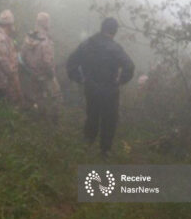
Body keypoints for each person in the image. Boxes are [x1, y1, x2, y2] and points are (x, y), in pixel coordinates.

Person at [66, 17, 134, 157]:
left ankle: (87, 144)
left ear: (102, 28)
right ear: (114, 31)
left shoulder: (87, 44)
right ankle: (105, 151)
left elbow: (71, 63)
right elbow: (129, 66)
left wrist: (80, 79)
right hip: (110, 90)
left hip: (91, 88)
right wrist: (120, 81)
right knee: (109, 120)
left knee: (92, 115)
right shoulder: (115, 48)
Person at [20, 12, 62, 120]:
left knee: (39, 96)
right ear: (45, 23)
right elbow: (47, 61)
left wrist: (30, 68)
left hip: (32, 73)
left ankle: (41, 116)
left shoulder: (28, 37)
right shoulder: (46, 40)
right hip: (45, 74)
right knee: (56, 95)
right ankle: (55, 119)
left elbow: (22, 56)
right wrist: (52, 74)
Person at [0, 10, 23, 103]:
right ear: (9, 25)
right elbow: (4, 62)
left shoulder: (6, 37)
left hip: (7, 81)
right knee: (6, 108)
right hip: (2, 83)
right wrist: (14, 80)